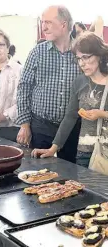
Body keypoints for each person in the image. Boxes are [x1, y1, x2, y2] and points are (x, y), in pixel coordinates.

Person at [16, 5, 82, 163]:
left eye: (48, 22)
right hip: (41, 126)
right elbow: (23, 88)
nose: (43, 27)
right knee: (39, 172)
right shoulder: (37, 52)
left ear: (64, 24)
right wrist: (25, 124)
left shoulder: (81, 53)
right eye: (42, 22)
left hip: (74, 127)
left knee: (71, 173)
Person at [32, 32, 108, 168]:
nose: (82, 63)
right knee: (86, 188)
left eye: (86, 57)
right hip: (84, 152)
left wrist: (102, 114)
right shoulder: (79, 82)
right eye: (78, 59)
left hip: (106, 152)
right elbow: (70, 117)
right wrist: (53, 148)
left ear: (100, 55)